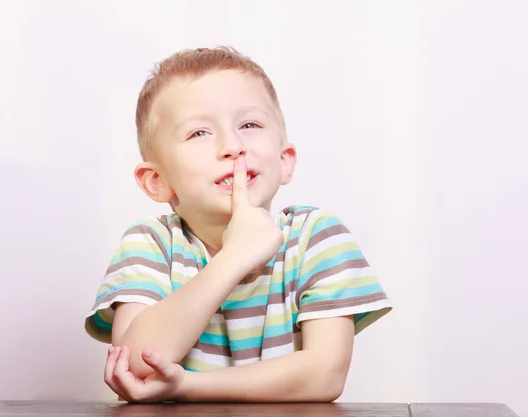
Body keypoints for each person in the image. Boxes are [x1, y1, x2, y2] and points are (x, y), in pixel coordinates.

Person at [84, 46, 392, 403]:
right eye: (199, 133)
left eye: (249, 125)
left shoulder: (316, 236)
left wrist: (187, 386)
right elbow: (134, 368)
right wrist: (235, 256)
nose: (233, 146)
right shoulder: (150, 243)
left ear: (284, 160)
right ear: (157, 180)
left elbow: (324, 375)